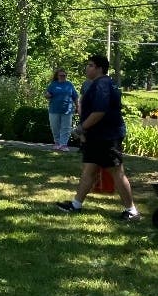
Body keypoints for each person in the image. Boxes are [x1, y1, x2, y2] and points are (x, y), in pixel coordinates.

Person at [56, 54, 140, 221]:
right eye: (88, 65)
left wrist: (81, 128)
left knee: (117, 172)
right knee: (89, 170)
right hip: (96, 136)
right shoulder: (99, 84)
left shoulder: (102, 85)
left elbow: (99, 112)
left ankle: (132, 211)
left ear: (100, 68)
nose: (87, 68)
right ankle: (76, 205)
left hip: (107, 137)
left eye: (91, 65)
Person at [45, 68, 79, 150]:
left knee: (66, 127)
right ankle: (57, 143)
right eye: (61, 75)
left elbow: (75, 96)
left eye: (64, 75)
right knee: (55, 127)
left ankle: (63, 145)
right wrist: (47, 95)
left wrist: (78, 106)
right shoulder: (53, 84)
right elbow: (47, 94)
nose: (63, 77)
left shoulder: (69, 84)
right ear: (57, 76)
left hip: (67, 109)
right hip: (54, 109)